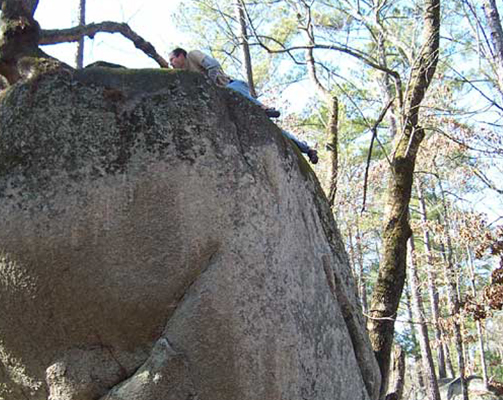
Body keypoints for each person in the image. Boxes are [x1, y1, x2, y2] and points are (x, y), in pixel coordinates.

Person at [169, 48, 318, 164]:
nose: (171, 63)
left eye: (172, 59)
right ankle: (306, 149)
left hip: (231, 86)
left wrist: (211, 86)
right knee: (271, 129)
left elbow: (213, 66)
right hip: (224, 100)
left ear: (181, 55)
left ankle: (265, 109)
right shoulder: (185, 75)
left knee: (237, 94)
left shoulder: (193, 55)